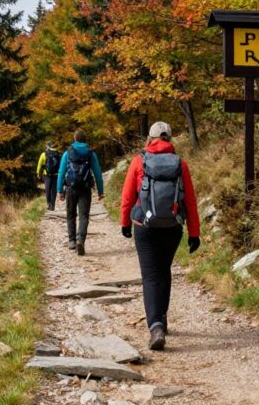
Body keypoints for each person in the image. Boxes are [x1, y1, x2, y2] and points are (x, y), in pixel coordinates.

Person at [119, 121, 200, 351]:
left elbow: (127, 196)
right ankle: (162, 319)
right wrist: (194, 233)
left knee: (150, 275)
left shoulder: (139, 161)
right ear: (169, 139)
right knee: (164, 271)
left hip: (144, 226)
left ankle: (155, 327)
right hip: (172, 227)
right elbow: (190, 201)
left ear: (150, 138)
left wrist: (125, 222)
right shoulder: (180, 164)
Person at [56, 130, 104, 256]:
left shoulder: (68, 152)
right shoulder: (91, 154)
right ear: (85, 140)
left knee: (71, 214)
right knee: (84, 215)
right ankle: (81, 240)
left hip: (71, 188)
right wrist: (100, 191)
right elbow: (98, 173)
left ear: (75, 139)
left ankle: (72, 241)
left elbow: (61, 172)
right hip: (85, 188)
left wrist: (59, 190)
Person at [36, 141, 61, 213]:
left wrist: (38, 173)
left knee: (48, 189)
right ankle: (53, 205)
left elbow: (39, 164)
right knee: (54, 190)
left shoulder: (44, 154)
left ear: (48, 146)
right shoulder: (58, 154)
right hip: (56, 174)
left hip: (47, 174)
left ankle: (49, 204)